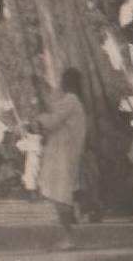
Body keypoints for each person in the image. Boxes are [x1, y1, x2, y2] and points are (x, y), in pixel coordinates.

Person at [36, 67, 87, 250]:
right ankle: (68, 235)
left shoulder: (71, 100)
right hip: (62, 153)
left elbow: (52, 121)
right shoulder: (71, 101)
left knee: (61, 196)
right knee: (59, 196)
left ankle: (69, 238)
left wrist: (40, 116)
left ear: (68, 83)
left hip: (64, 155)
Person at [16, 125, 43, 201]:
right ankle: (35, 195)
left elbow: (19, 145)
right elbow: (21, 146)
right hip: (35, 158)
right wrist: (24, 136)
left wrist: (24, 137)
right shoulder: (36, 138)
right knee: (33, 176)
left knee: (33, 176)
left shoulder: (34, 138)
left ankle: (34, 195)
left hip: (34, 159)